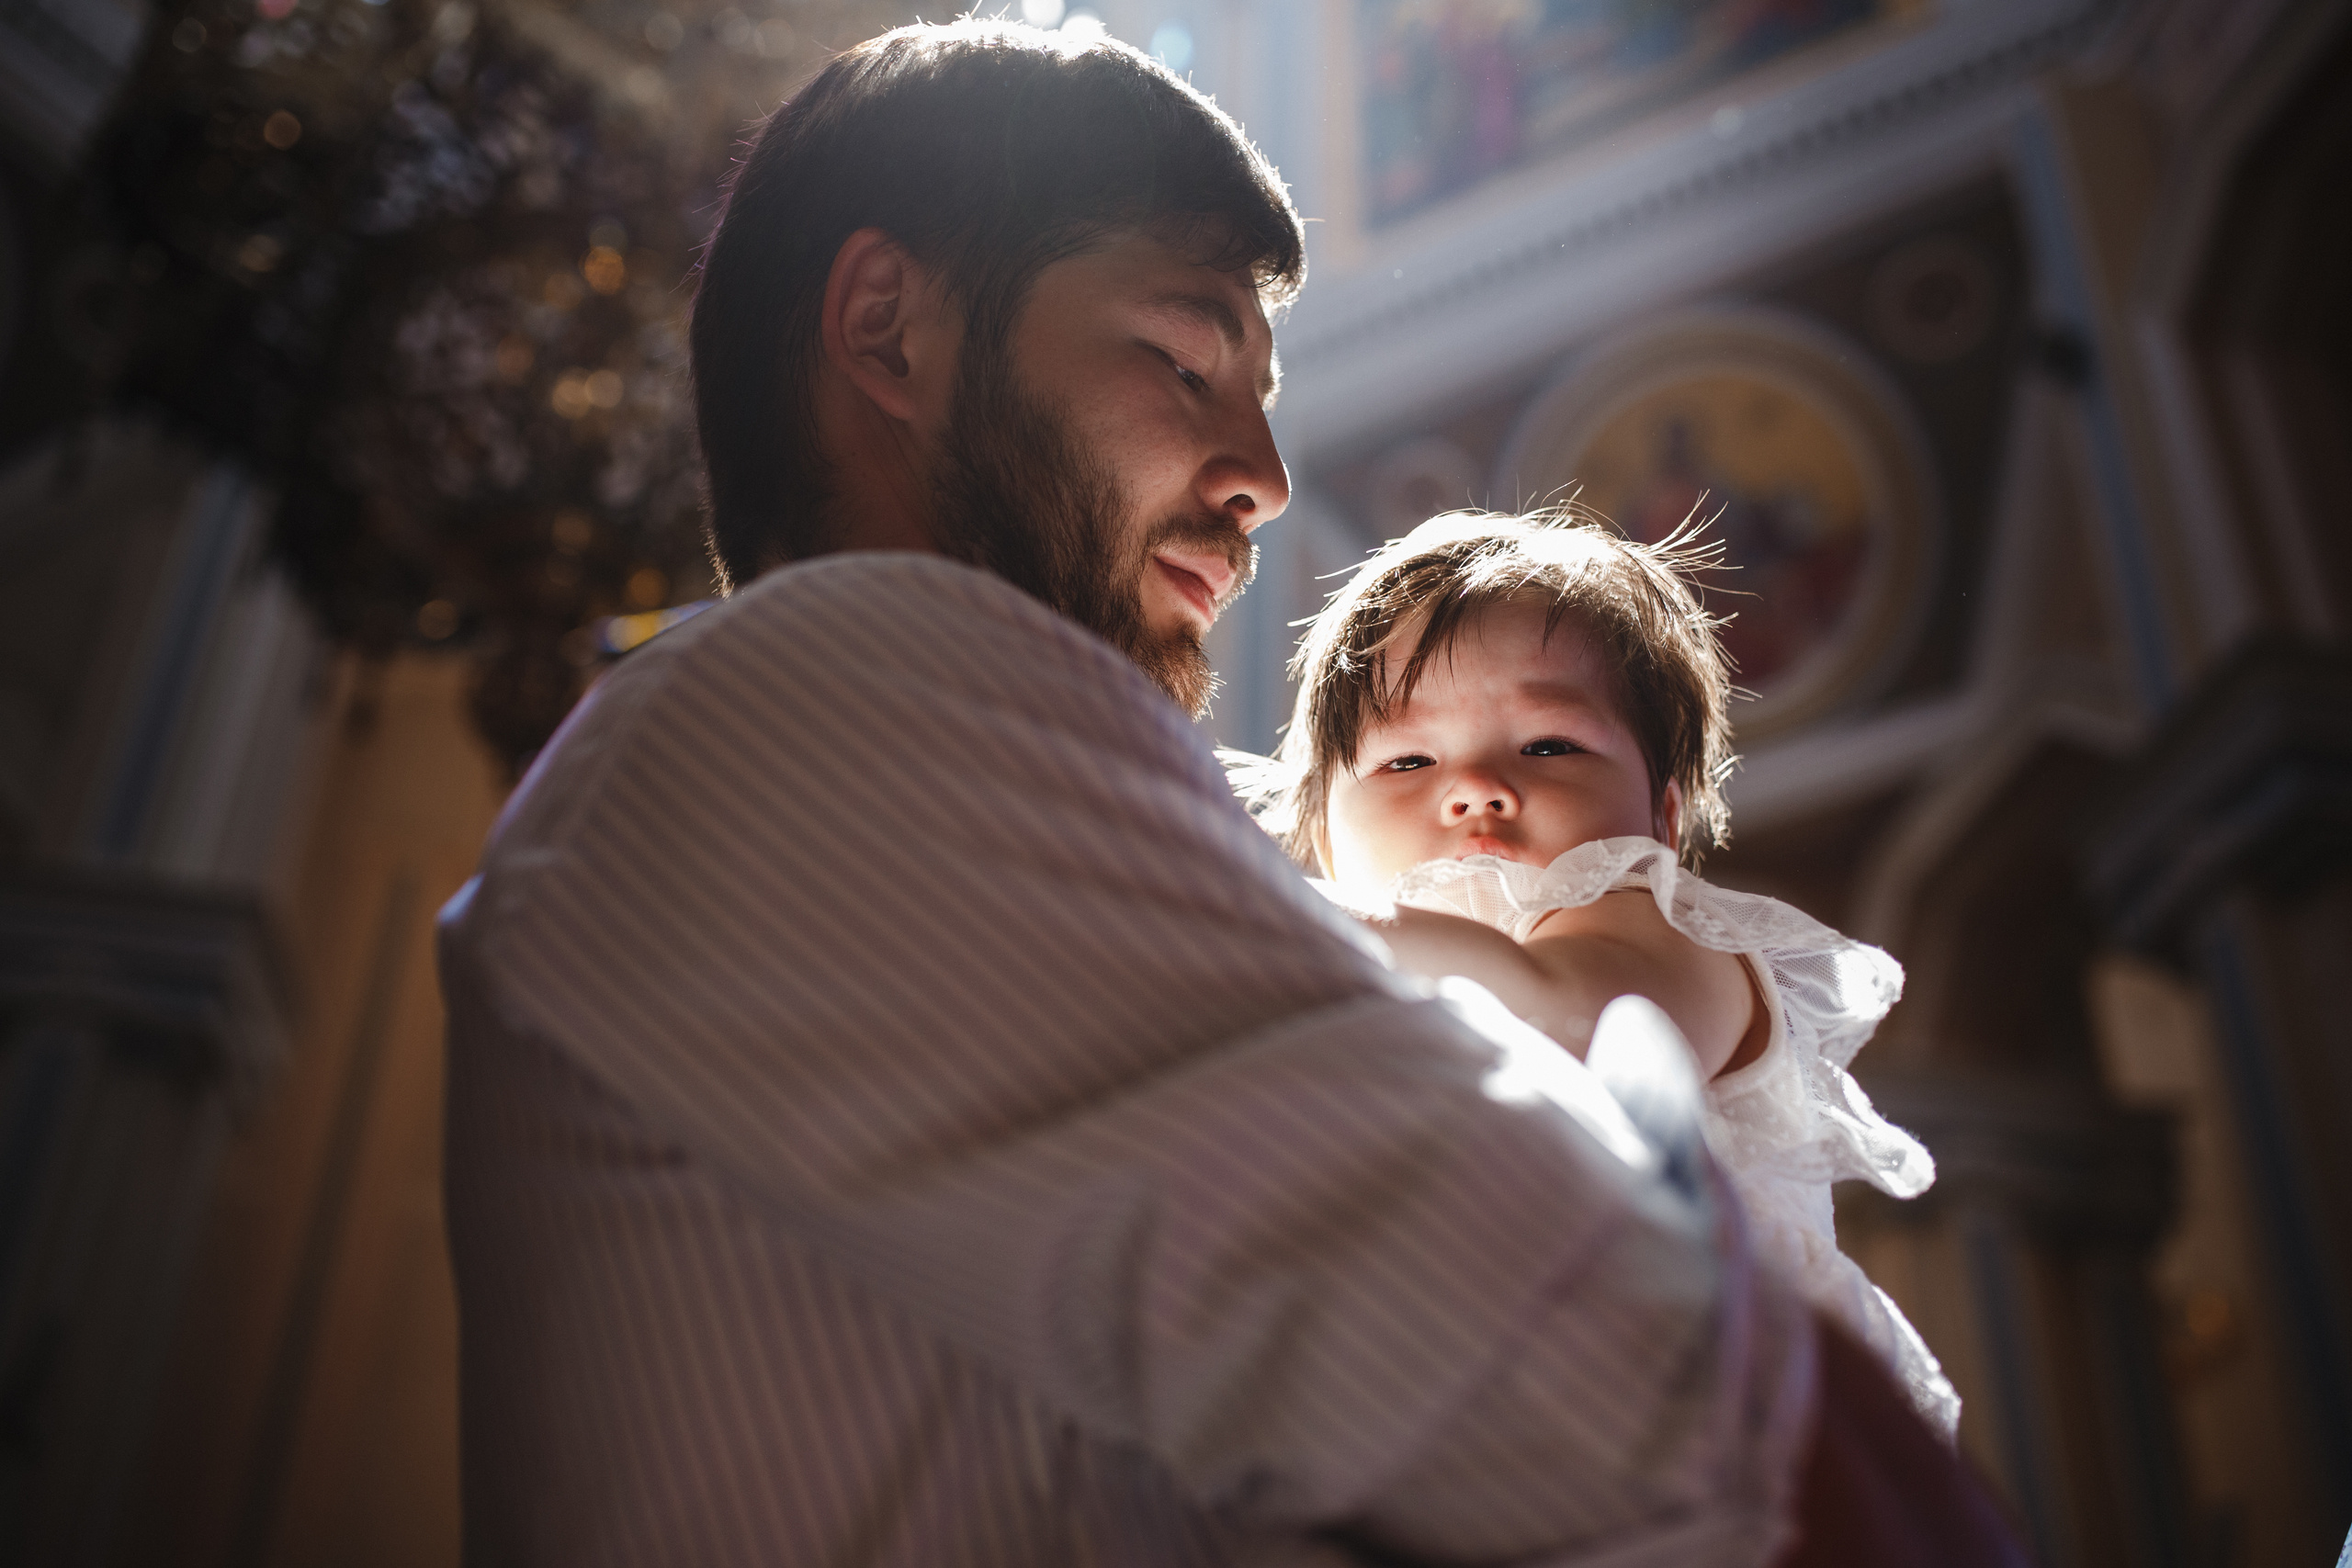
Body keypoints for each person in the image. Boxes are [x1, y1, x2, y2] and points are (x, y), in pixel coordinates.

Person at [437, 19, 2024, 1566]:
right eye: (1183, 356)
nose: (1263, 474)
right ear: (889, 329)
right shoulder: (825, 682)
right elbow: (1619, 1381)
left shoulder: (826, 759)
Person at [1227, 510, 1962, 1438]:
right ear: (1325, 844)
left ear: (1661, 816)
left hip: (1740, 1432)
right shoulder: (1342, 1012)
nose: (1475, 787)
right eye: (1407, 759)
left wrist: (1259, 905)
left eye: (1548, 745)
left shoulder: (1660, 930)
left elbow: (1564, 1015)